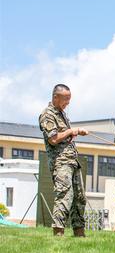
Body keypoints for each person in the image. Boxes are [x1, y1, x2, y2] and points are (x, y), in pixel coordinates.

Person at [39, 84, 88, 237]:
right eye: (65, 99)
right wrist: (71, 131)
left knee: (80, 197)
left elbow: (64, 137)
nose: (68, 102)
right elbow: (53, 139)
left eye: (69, 99)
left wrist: (76, 132)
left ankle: (79, 233)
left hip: (72, 161)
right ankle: (58, 233)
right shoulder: (47, 115)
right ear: (55, 97)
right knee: (64, 196)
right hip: (61, 162)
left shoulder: (62, 114)